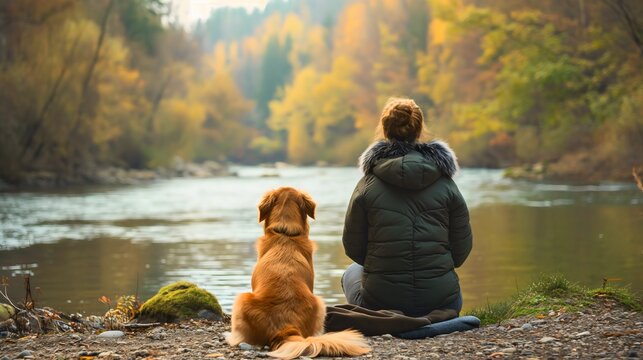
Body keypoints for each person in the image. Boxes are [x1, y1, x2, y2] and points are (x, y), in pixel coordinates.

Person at [341, 97, 473, 318]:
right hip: (442, 300)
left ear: (385, 130)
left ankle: (388, 316)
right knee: (449, 286)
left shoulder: (367, 185)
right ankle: (437, 314)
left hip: (381, 300)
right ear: (419, 130)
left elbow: (353, 248)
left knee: (351, 272)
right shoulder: (446, 183)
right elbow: (461, 251)